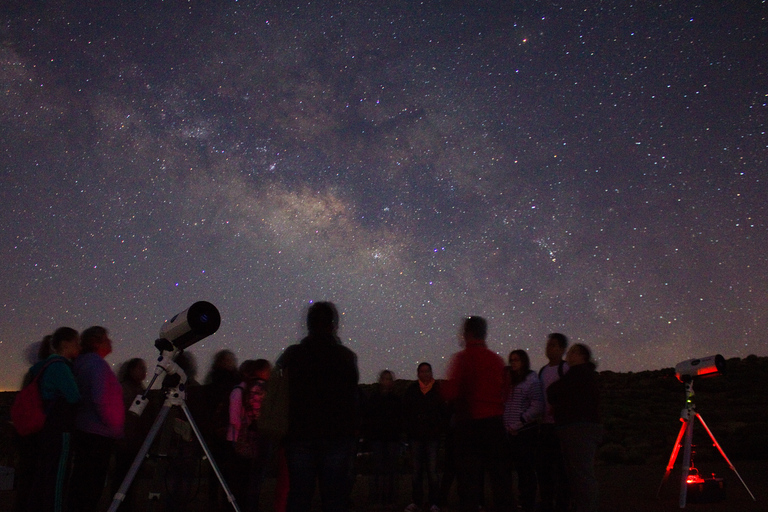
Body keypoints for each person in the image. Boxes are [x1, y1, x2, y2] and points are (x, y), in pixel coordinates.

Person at [276, 301, 360, 512]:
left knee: (299, 496)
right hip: (336, 436)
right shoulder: (346, 356)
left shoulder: (292, 355)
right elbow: (351, 399)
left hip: (299, 435)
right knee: (333, 498)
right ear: (333, 324)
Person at [442, 316, 512, 512]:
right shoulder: (497, 360)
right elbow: (505, 392)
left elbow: (451, 391)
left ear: (467, 334)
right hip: (495, 425)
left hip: (470, 426)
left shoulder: (463, 358)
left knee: (469, 481)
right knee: (500, 480)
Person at [20, 327, 81, 512]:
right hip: (59, 430)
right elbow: (74, 396)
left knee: (44, 477)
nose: (79, 346)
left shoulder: (41, 366)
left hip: (45, 429)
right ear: (65, 344)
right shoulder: (59, 366)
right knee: (57, 480)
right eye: (76, 342)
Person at [69, 326, 125, 512]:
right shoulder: (96, 364)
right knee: (91, 486)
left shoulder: (81, 362)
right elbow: (100, 398)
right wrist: (115, 426)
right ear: (96, 341)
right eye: (106, 338)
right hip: (98, 435)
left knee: (80, 484)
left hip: (84, 430)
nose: (110, 342)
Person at [547, 344, 602, 512]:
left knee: (581, 474)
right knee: (580, 473)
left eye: (570, 353)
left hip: (578, 430)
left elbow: (553, 391)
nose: (567, 356)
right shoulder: (588, 375)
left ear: (579, 355)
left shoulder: (578, 374)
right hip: (583, 429)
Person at [228, 359, 273, 512]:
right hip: (255, 437)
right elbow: (244, 416)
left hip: (250, 437)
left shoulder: (247, 388)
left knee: (249, 477)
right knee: (254, 478)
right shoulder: (257, 387)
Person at [503, 350, 544, 512]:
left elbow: (537, 405)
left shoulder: (531, 379)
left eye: (517, 360)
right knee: (512, 469)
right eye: (511, 360)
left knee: (525, 469)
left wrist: (519, 423)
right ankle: (517, 501)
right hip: (509, 432)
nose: (513, 363)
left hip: (525, 432)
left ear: (524, 361)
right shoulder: (510, 380)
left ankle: (528, 502)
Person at [402, 363, 444, 512]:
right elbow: (406, 412)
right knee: (416, 472)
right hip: (416, 436)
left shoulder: (438, 389)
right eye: (422, 371)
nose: (425, 374)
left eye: (427, 371)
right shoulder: (412, 390)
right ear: (418, 373)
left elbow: (443, 412)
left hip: (432, 436)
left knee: (432, 471)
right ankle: (416, 501)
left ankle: (434, 502)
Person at [537, 333, 570, 512]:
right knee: (545, 468)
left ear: (563, 349)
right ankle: (547, 502)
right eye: (548, 345)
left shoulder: (565, 369)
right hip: (545, 425)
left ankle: (562, 504)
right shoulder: (543, 371)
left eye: (554, 345)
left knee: (561, 468)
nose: (549, 348)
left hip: (561, 425)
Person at [112, 358, 148, 511]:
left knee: (132, 480)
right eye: (140, 368)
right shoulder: (124, 389)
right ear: (131, 370)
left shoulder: (141, 390)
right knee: (122, 478)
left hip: (136, 442)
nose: (144, 372)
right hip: (125, 441)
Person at [364, 370, 402, 509]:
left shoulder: (396, 400)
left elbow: (400, 419)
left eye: (389, 379)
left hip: (392, 439)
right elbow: (368, 418)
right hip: (377, 439)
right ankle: (376, 499)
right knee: (377, 470)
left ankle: (391, 499)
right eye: (384, 379)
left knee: (391, 471)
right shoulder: (373, 399)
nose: (386, 381)